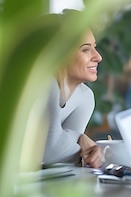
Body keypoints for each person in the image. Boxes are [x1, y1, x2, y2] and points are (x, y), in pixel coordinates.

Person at [43, 11, 103, 168]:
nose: (98, 57)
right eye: (85, 49)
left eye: (94, 48)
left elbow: (66, 156)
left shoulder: (85, 97)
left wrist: (82, 145)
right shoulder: (45, 84)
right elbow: (51, 151)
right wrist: (79, 137)